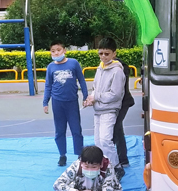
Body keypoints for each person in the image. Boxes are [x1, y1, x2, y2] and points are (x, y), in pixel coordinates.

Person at [42, 42, 89, 166]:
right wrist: (45, 102)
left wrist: (85, 96)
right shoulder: (51, 67)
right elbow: (48, 85)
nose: (56, 53)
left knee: (76, 130)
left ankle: (80, 155)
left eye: (58, 50)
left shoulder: (73, 63)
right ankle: (62, 155)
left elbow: (82, 80)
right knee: (59, 131)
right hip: (57, 103)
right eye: (53, 51)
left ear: (64, 50)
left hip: (72, 102)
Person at [83, 38, 125, 172]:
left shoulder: (117, 71)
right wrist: (90, 98)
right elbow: (95, 88)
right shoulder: (99, 68)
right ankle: (105, 167)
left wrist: (96, 97)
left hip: (110, 110)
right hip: (98, 110)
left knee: (106, 140)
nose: (103, 56)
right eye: (100, 53)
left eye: (106, 54)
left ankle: (117, 167)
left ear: (114, 54)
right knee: (98, 142)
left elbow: (115, 94)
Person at [53, 145, 122, 191]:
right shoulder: (76, 166)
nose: (90, 170)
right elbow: (57, 185)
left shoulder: (108, 168)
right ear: (81, 162)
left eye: (94, 167)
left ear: (101, 164)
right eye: (86, 166)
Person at [111, 57, 136, 174]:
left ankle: (119, 159)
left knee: (115, 128)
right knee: (117, 129)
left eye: (107, 53)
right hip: (114, 103)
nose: (103, 56)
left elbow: (118, 89)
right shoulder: (105, 67)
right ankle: (121, 159)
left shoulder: (120, 67)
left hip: (123, 102)